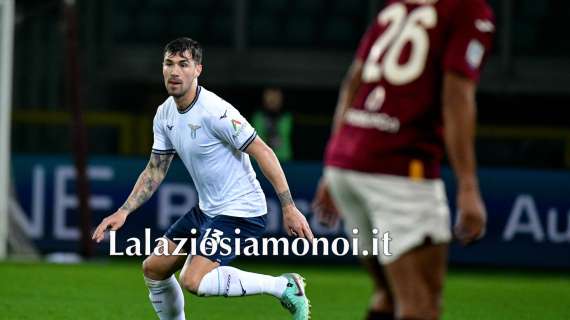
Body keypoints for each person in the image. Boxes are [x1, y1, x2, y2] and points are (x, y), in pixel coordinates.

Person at [92, 37, 313, 320]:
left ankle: (284, 287)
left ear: (198, 69)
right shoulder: (164, 114)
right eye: (169, 64)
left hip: (240, 211)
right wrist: (123, 211)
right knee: (154, 268)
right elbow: (155, 169)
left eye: (183, 64)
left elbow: (264, 151)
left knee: (193, 280)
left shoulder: (216, 111)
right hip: (208, 211)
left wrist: (288, 206)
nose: (175, 71)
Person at [312, 1, 494, 319]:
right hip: (398, 168)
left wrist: (333, 165)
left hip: (347, 165)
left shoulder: (396, 7)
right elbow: (457, 96)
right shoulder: (468, 9)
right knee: (421, 304)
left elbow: (352, 84)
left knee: (388, 294)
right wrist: (468, 184)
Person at [252, 87, 293, 161]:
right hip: (260, 159)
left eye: (276, 97)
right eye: (269, 96)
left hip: (283, 159)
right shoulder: (258, 117)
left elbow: (283, 134)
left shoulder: (287, 117)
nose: (272, 100)